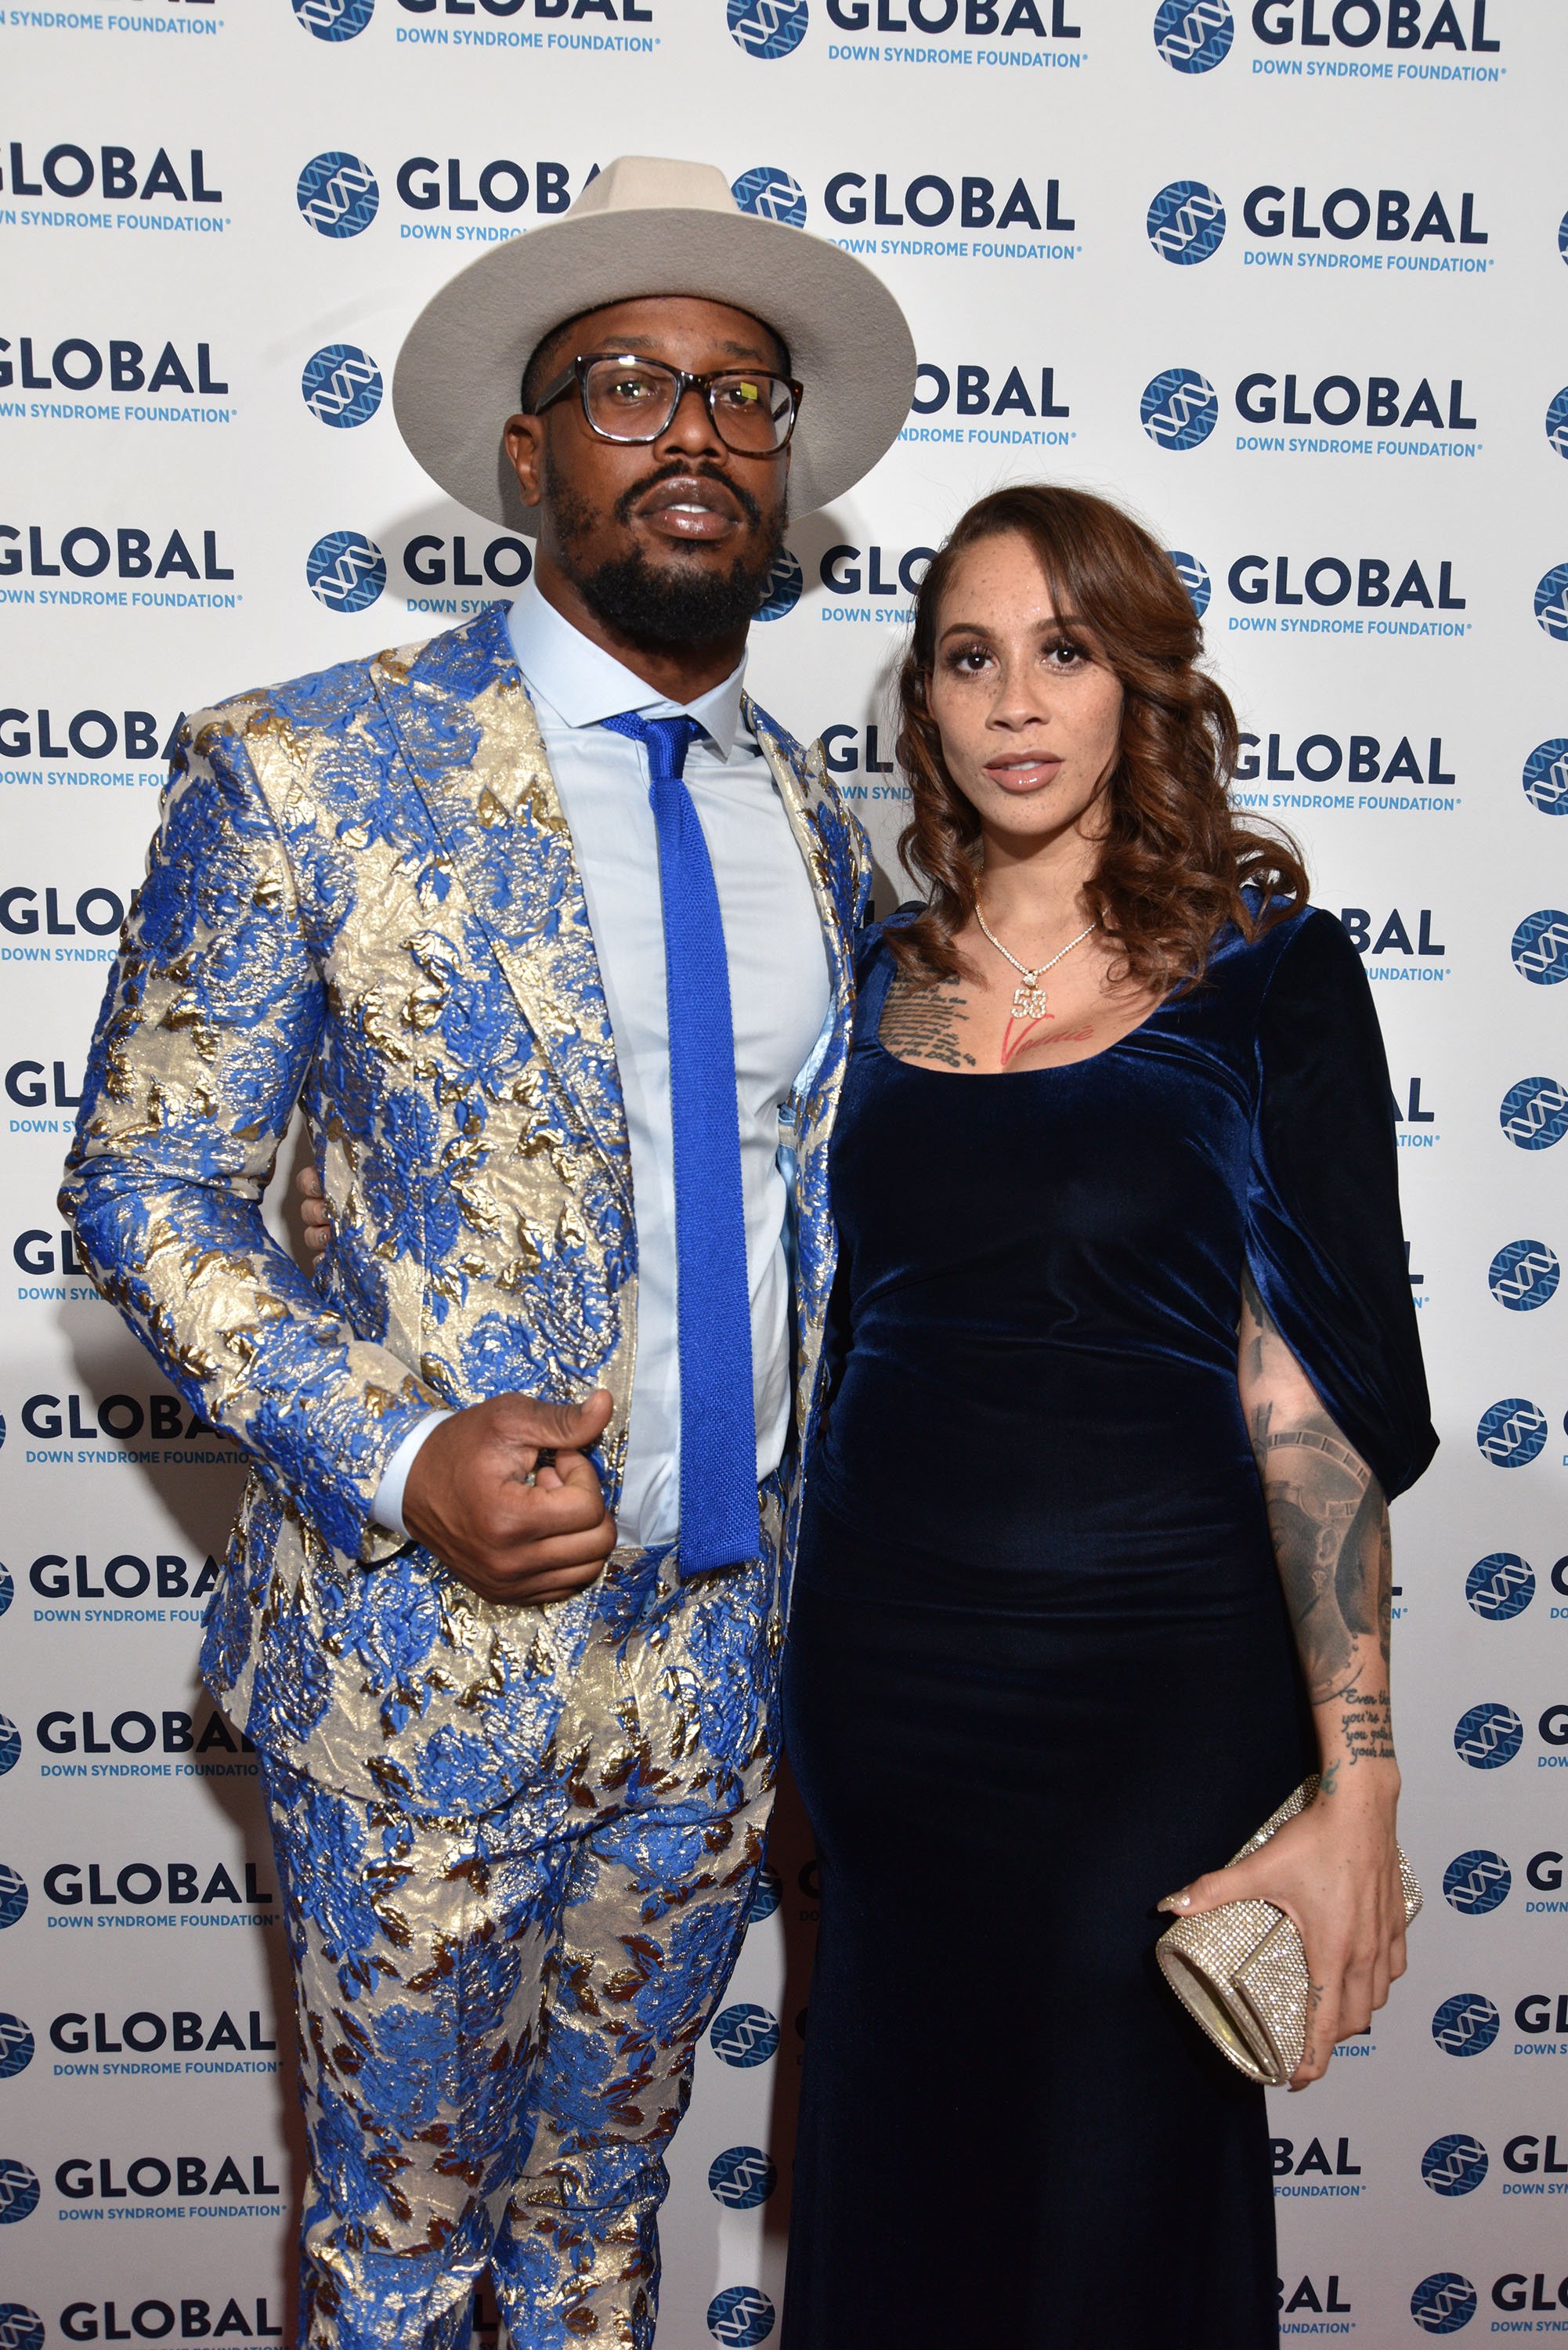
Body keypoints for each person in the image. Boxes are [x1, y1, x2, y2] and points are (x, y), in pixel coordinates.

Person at [60, 154, 915, 2350]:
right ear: (527, 457)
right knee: (402, 2254)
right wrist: (406, 1438)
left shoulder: (825, 827)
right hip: (421, 1670)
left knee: (601, 2247)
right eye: (625, 386)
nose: (696, 431)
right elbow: (145, 1184)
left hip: (722, 1670)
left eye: (744, 392)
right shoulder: (304, 769)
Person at [778, 485, 1436, 2350]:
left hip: (1155, 1686)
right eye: (966, 658)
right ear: (922, 702)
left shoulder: (1265, 973)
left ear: (1137, 685)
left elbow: (1298, 1402)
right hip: (885, 1690)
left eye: (1060, 652)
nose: (1012, 703)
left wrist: (1355, 1779)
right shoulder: (865, 984)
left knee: (1113, 2204)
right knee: (903, 2175)